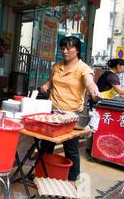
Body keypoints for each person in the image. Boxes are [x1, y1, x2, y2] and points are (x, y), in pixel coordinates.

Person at [39, 36, 101, 187]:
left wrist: (95, 93)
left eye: (69, 48)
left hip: (71, 116)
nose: (65, 51)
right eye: (62, 48)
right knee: (46, 146)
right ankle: (42, 173)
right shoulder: (56, 66)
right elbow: (51, 81)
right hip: (52, 113)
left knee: (71, 149)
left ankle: (72, 181)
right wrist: (45, 86)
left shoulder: (83, 68)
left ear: (77, 50)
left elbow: (90, 84)